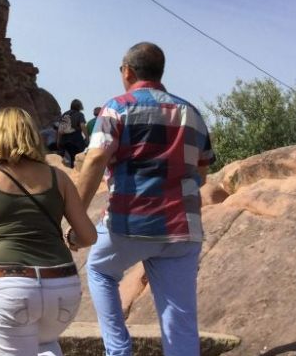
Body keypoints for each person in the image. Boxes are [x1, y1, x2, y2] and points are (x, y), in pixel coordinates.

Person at [77, 42, 214, 356]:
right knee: (180, 323)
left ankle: (118, 350)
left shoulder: (116, 107)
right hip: (182, 228)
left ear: (127, 71)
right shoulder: (191, 113)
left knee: (99, 270)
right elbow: (202, 172)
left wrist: (77, 217)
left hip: (129, 223)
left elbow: (96, 158)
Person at [0, 107, 96, 356]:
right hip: (62, 286)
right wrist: (71, 238)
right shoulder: (59, 178)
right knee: (46, 345)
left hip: (14, 287)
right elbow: (89, 236)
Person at [56, 99, 86, 167]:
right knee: (76, 160)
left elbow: (60, 129)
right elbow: (82, 125)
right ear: (80, 106)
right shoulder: (79, 114)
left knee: (63, 159)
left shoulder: (65, 114)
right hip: (75, 141)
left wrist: (58, 141)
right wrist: (87, 138)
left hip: (64, 140)